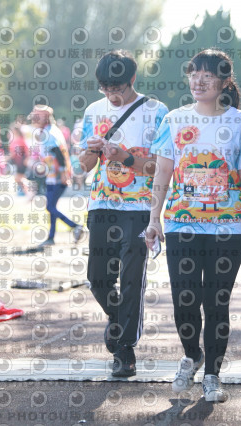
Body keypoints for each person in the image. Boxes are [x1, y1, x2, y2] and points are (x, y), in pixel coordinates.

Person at [145, 49, 241, 402]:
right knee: (184, 299)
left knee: (217, 302)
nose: (198, 81)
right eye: (193, 73)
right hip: (182, 223)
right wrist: (154, 218)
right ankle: (192, 354)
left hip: (228, 226)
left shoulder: (239, 122)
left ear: (224, 82)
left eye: (207, 75)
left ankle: (212, 374)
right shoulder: (174, 120)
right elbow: (162, 172)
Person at [78, 50, 168, 377]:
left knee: (131, 279)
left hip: (139, 208)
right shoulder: (93, 111)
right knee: (98, 279)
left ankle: (125, 350)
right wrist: (92, 151)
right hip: (102, 204)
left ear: (133, 79)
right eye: (105, 88)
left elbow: (160, 168)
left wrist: (125, 158)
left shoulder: (157, 112)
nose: (111, 95)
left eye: (117, 88)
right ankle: (117, 320)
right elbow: (83, 166)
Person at [27, 105, 84, 245]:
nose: (33, 120)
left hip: (57, 176)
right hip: (53, 175)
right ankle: (51, 237)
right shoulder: (48, 131)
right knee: (51, 206)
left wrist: (63, 173)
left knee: (50, 207)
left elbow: (58, 153)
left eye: (36, 117)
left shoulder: (50, 133)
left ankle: (75, 226)